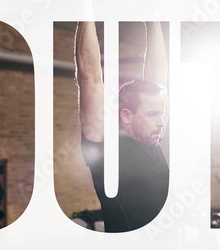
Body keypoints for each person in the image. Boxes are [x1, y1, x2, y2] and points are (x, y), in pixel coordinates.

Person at [75, 21, 169, 232]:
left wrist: (153, 18)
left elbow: (159, 81)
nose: (162, 122)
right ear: (127, 116)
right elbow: (89, 77)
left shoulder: (152, 140)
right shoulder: (105, 150)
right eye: (153, 114)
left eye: (161, 113)